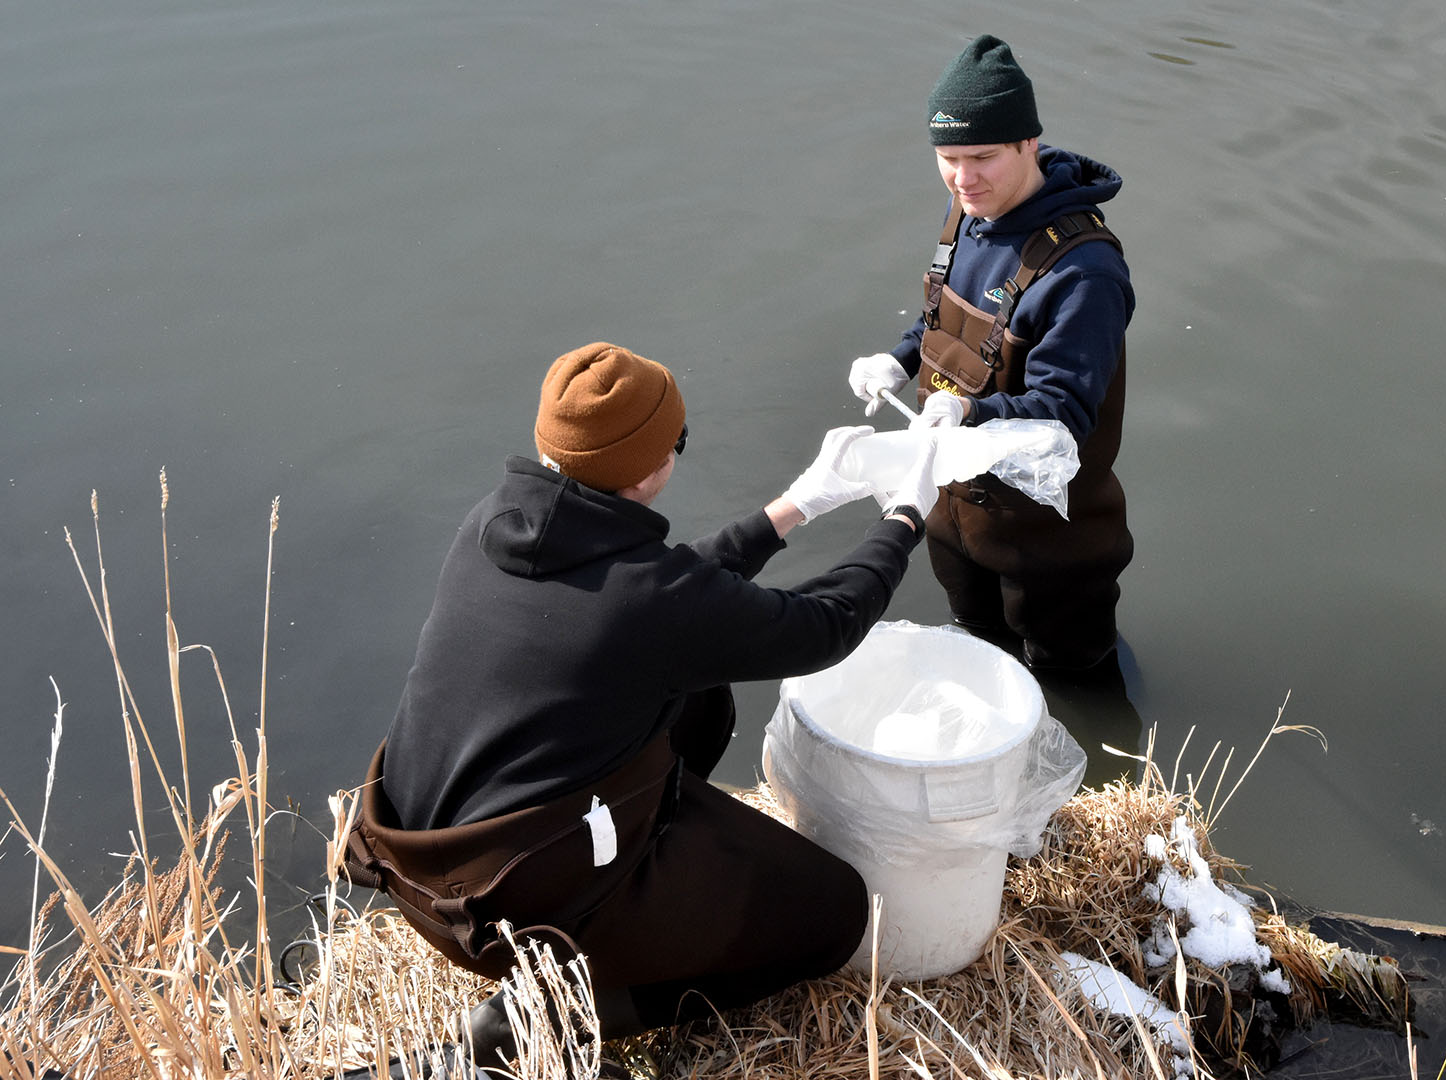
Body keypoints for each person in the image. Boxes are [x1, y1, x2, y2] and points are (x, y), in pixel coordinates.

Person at [342, 342, 940, 1067]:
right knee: (837, 914)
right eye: (675, 442)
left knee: (699, 687)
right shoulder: (647, 604)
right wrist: (905, 518)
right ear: (651, 464)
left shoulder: (492, 527)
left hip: (424, 861)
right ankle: (542, 1019)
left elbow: (668, 594)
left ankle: (644, 870)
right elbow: (826, 626)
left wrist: (797, 505)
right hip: (514, 901)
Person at [847, 34, 1135, 673]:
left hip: (1050, 544)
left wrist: (967, 414)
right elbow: (940, 320)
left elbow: (1064, 412)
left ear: (1028, 143)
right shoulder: (965, 210)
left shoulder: (1083, 272)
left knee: (1072, 678)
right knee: (975, 653)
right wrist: (899, 359)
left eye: (982, 157)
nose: (962, 178)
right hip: (953, 515)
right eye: (947, 158)